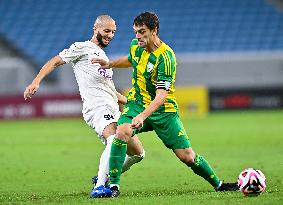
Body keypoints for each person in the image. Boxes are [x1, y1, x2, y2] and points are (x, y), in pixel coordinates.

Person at [91, 12, 238, 198]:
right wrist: (110, 63)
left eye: (142, 32)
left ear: (154, 30)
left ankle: (219, 184)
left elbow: (161, 95)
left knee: (187, 156)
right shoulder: (136, 46)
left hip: (163, 111)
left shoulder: (166, 57)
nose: (138, 36)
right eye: (136, 32)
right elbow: (131, 59)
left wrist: (143, 116)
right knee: (122, 132)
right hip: (137, 102)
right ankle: (112, 187)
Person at [23, 15, 145, 198]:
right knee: (113, 140)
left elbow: (110, 91)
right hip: (96, 107)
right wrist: (36, 81)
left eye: (113, 32)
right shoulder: (82, 47)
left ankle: (102, 176)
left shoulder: (103, 57)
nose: (110, 35)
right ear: (95, 28)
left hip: (112, 107)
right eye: (106, 31)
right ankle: (99, 187)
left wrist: (133, 104)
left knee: (138, 153)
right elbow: (55, 61)